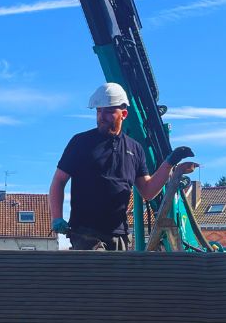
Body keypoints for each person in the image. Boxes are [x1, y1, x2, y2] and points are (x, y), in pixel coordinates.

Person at [49, 82, 198, 250]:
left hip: (119, 234)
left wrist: (170, 163)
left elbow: (148, 191)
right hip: (85, 233)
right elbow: (59, 181)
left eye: (109, 111)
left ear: (124, 114)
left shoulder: (135, 149)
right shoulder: (81, 143)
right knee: (96, 274)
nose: (102, 116)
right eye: (99, 111)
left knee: (119, 276)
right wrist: (57, 217)